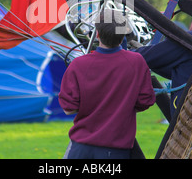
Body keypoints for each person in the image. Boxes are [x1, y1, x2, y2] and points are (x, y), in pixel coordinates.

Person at [59, 9, 156, 159]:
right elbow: (145, 100)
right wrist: (122, 106)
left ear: (97, 33)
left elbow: (69, 108)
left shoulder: (78, 64)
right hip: (115, 150)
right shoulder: (136, 62)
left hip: (80, 148)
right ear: (124, 34)